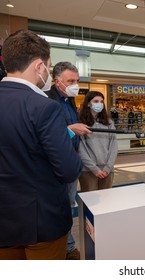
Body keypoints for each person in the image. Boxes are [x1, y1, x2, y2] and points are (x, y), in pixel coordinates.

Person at [0, 29, 82, 260]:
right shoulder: (44, 107)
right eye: (49, 65)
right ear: (39, 66)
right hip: (40, 221)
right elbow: (68, 169)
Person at [45, 61, 91, 260]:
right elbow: (48, 135)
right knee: (58, 208)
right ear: (57, 82)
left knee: (68, 206)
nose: (75, 85)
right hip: (56, 166)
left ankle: (68, 245)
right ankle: (66, 247)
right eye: (70, 80)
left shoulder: (70, 100)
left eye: (77, 80)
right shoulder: (48, 100)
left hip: (72, 161)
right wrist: (71, 130)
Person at [78, 91, 118, 192]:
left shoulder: (109, 122)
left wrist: (108, 167)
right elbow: (80, 149)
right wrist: (94, 169)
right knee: (90, 202)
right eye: (95, 101)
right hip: (88, 170)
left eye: (101, 101)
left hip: (107, 169)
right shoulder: (80, 122)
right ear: (88, 103)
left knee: (106, 200)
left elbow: (114, 146)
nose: (99, 104)